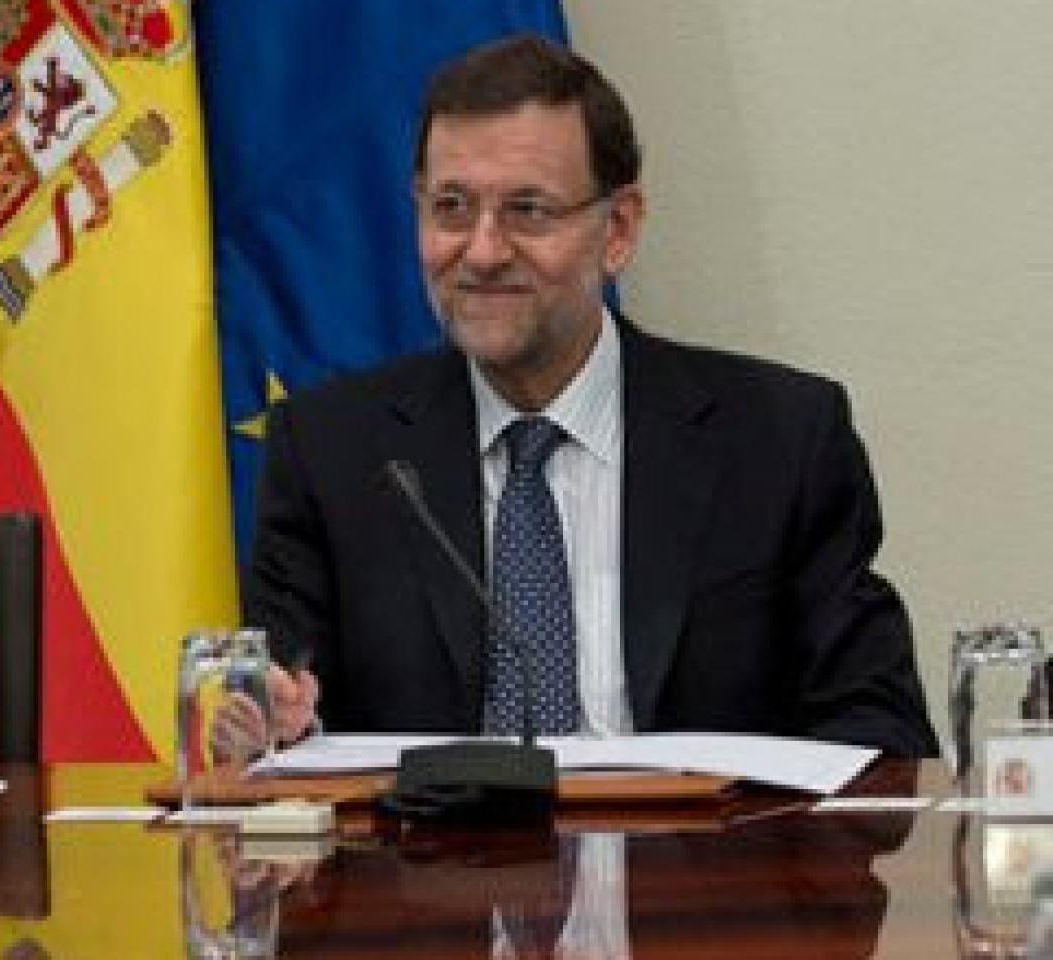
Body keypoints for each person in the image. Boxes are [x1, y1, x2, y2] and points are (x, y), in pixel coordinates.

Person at [244, 35, 938, 757]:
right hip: (429, 863)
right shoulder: (332, 453)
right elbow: (282, 718)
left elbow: (880, 737)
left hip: (707, 864)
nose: (481, 252)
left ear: (620, 229)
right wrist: (276, 722)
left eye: (527, 210)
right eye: (451, 207)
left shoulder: (781, 440)